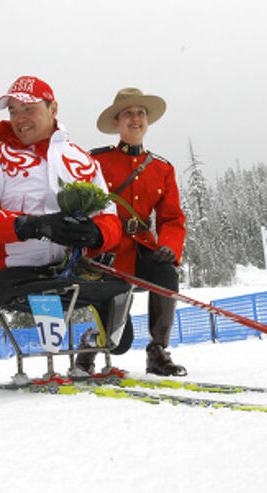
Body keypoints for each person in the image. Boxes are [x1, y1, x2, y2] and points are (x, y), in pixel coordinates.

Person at [0, 76, 131, 366]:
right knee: (47, 294)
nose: (19, 119)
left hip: (71, 269)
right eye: (13, 111)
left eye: (28, 109)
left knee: (120, 325)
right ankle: (53, 359)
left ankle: (90, 345)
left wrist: (96, 234)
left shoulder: (82, 159)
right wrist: (30, 225)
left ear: (53, 108)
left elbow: (110, 218)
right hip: (16, 273)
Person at [84, 87, 187, 376]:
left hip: (142, 249)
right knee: (118, 344)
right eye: (128, 113)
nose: (135, 118)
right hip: (107, 255)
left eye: (140, 113)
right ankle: (90, 341)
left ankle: (158, 350)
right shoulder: (97, 162)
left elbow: (172, 218)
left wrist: (169, 246)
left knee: (166, 272)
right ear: (117, 122)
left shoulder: (162, 169)